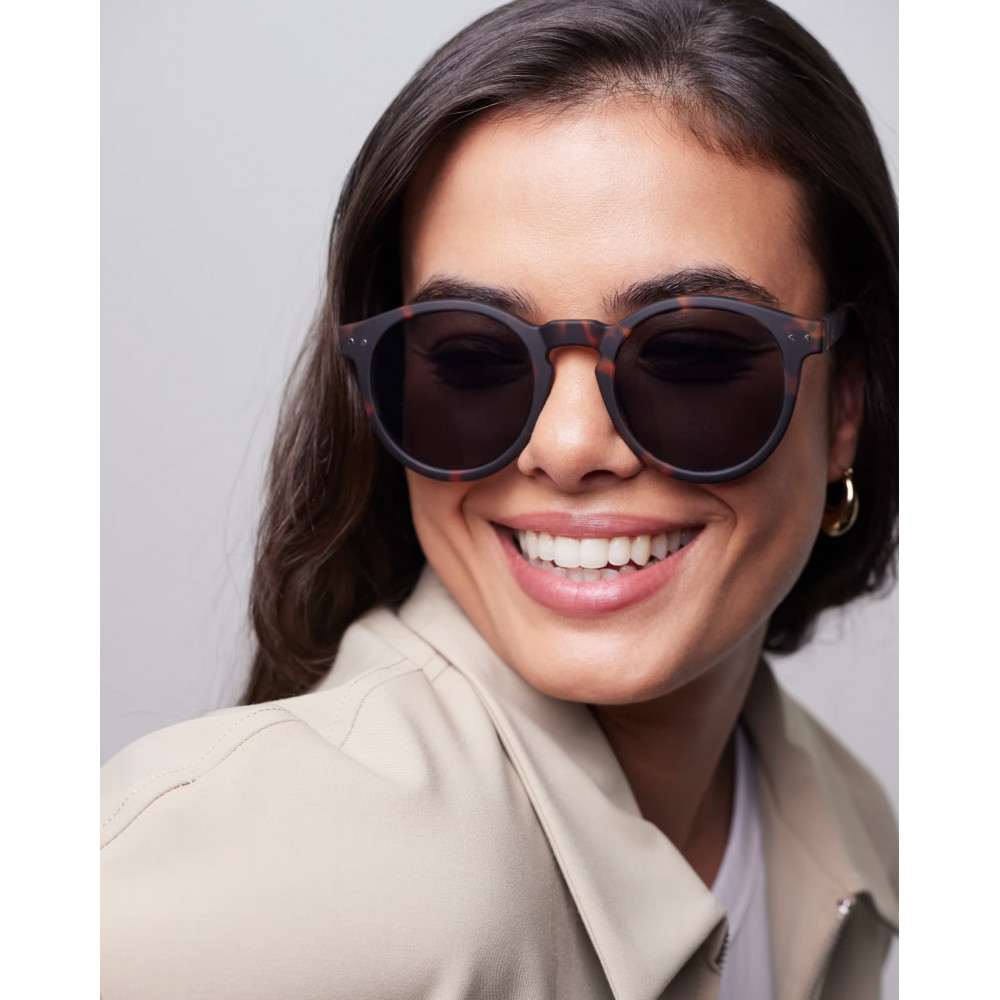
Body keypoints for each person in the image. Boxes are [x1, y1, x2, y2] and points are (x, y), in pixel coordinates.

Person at [100, 0, 898, 997]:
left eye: (691, 354)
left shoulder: (839, 820)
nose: (566, 446)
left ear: (847, 405)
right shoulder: (289, 873)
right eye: (472, 357)